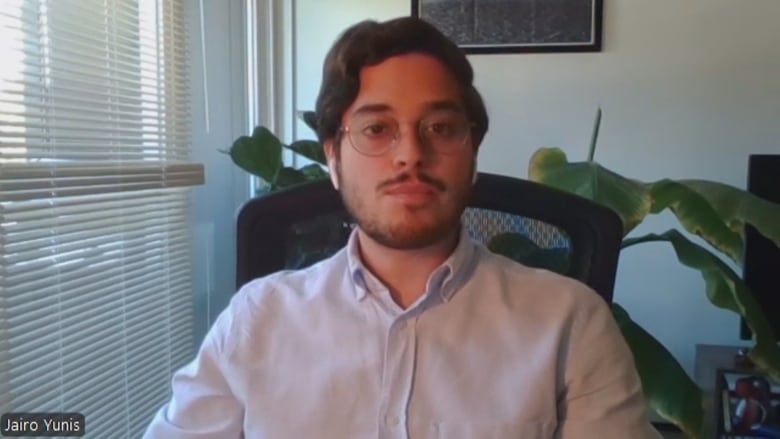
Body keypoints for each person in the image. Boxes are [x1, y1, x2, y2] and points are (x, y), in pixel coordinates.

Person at [144, 16, 661, 439]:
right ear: (333, 157)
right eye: (376, 129)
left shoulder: (569, 323)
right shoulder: (257, 321)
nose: (411, 155)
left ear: (472, 152)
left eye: (440, 127)